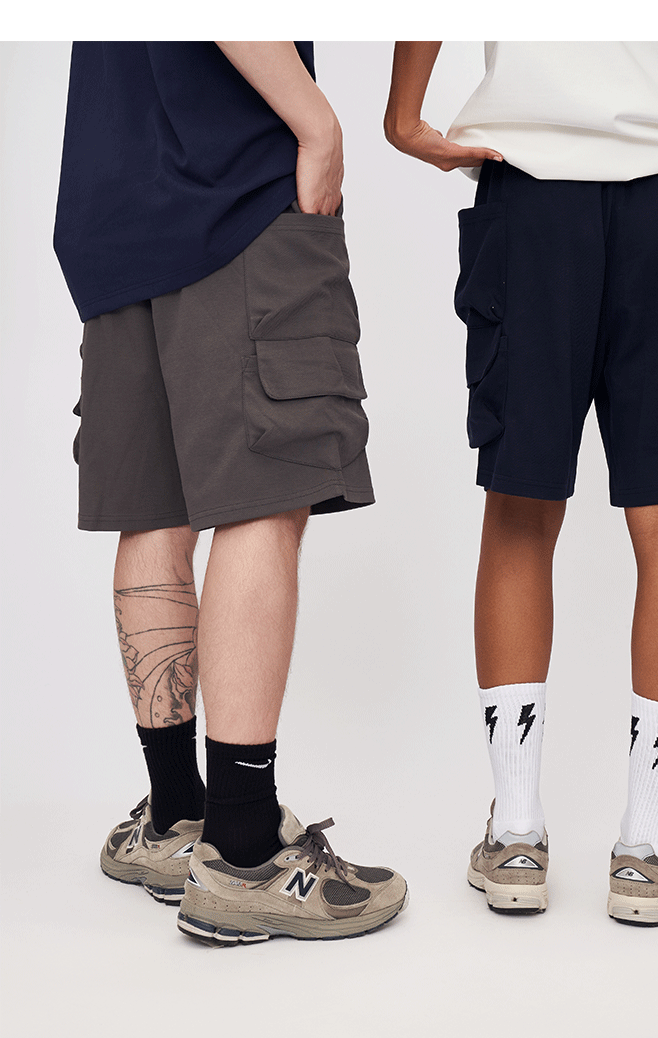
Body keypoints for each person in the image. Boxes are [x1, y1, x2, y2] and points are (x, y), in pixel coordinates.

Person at [385, 41, 658, 925]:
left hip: (533, 183)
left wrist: (404, 113)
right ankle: (647, 847)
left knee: (521, 500)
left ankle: (516, 836)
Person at [54, 40, 407, 944]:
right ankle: (244, 851)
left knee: (157, 508)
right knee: (264, 497)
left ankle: (175, 815)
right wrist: (317, 122)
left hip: (113, 200)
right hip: (232, 187)